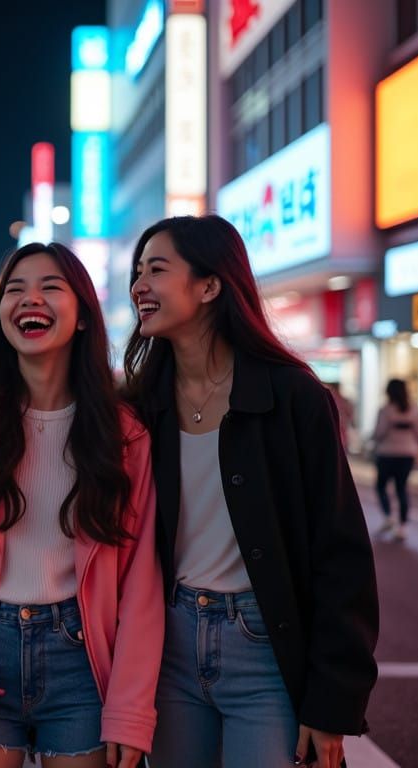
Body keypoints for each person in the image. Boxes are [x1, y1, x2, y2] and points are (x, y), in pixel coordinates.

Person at [124, 215, 378, 768]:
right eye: (137, 271)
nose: (138, 285)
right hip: (168, 645)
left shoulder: (293, 398)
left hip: (264, 651)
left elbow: (341, 557)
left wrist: (333, 703)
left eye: (157, 269)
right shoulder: (142, 407)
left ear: (211, 285)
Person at [0, 242, 162, 768]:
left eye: (50, 287)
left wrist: (129, 710)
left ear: (83, 315)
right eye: (15, 290)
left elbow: (141, 585)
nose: (28, 299)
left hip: (84, 662)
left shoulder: (124, 433)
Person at [373, 378, 418, 540]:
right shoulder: (414, 410)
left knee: (381, 486)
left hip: (387, 454)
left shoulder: (386, 410)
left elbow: (379, 434)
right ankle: (402, 527)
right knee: (401, 489)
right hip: (407, 454)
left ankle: (388, 517)